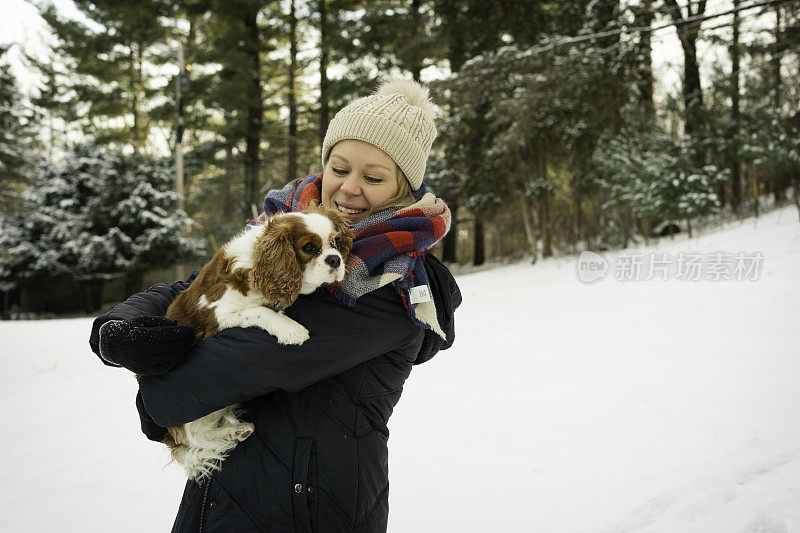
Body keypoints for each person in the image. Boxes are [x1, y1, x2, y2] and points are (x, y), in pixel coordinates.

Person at [89, 78, 461, 533]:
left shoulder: (389, 284)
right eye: (339, 168)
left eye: (374, 177)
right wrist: (116, 330)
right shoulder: (281, 228)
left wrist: (156, 396)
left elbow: (222, 373)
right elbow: (200, 283)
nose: (348, 188)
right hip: (218, 501)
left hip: (311, 512)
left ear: (404, 189)